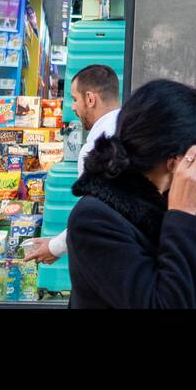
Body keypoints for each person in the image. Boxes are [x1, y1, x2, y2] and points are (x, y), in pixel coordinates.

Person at [65, 78, 196, 308]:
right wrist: (183, 213)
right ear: (175, 159)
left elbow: (172, 285)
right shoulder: (94, 218)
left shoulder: (156, 203)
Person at [23, 64, 121, 265]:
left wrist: (55, 247)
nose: (73, 107)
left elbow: (102, 214)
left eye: (75, 99)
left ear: (91, 99)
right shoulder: (132, 129)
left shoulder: (97, 148)